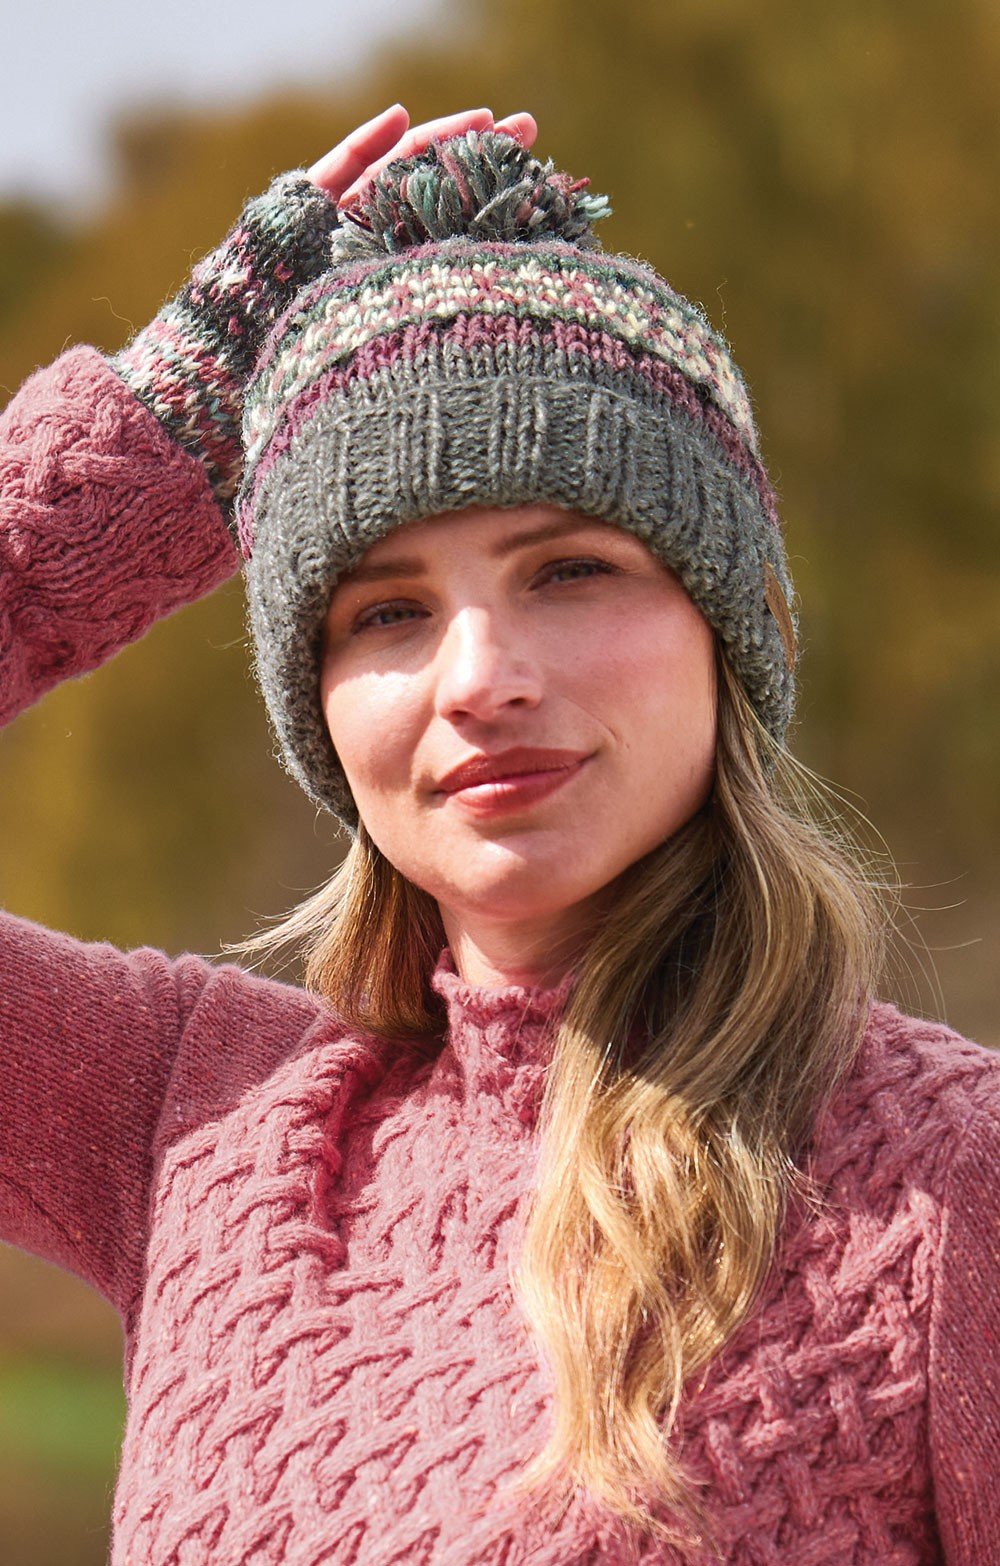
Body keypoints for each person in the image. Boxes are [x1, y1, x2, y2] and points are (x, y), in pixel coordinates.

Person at [0, 100, 996, 1566]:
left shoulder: (950, 1181)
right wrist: (161, 443)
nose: (480, 679)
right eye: (386, 611)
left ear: (729, 631)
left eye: (570, 570)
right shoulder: (196, 1119)